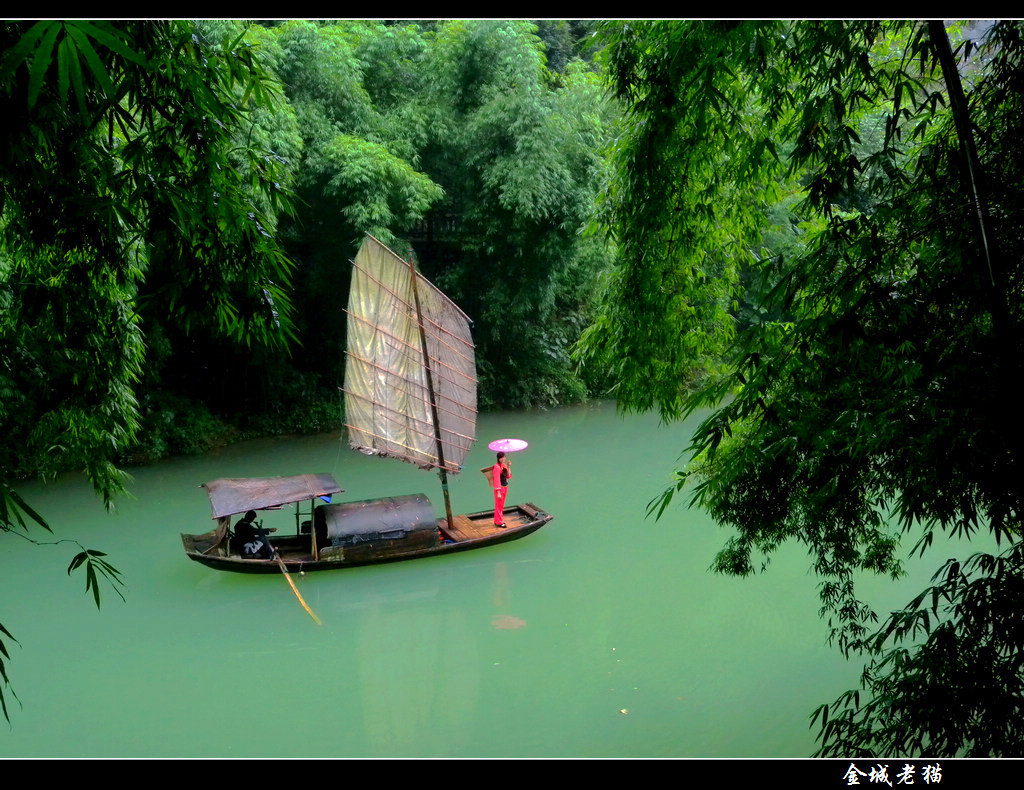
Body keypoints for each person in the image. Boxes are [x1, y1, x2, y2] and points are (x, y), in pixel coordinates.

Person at [491, 451, 511, 528]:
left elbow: (508, 476)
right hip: (499, 489)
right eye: (501, 457)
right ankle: (499, 522)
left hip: (505, 487)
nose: (503, 459)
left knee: (501, 505)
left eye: (504, 457)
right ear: (498, 458)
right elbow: (496, 480)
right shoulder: (496, 467)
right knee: (498, 505)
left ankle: (497, 520)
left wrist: (508, 466)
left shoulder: (504, 465)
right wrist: (498, 492)